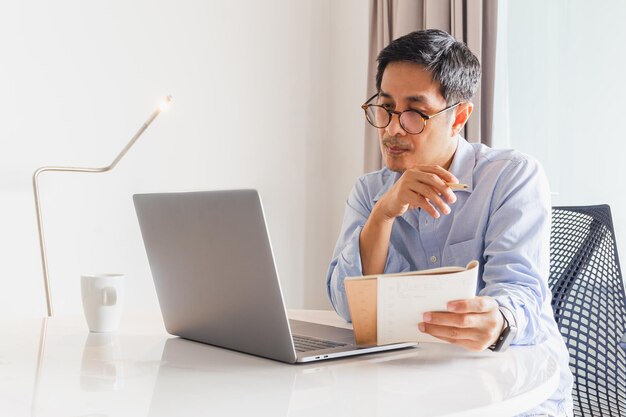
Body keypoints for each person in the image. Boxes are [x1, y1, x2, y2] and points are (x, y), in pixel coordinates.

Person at [326, 29, 573, 416]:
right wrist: (384, 213)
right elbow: (347, 308)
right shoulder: (369, 192)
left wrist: (498, 321)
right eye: (386, 108)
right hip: (409, 390)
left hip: (510, 393)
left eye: (415, 113)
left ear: (458, 116)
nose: (392, 128)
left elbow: (522, 294)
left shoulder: (511, 177)